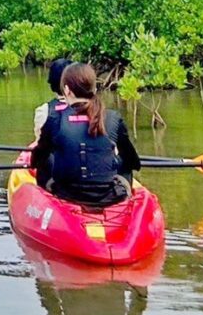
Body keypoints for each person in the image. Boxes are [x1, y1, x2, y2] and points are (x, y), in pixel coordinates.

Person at [29, 62, 141, 207]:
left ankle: (51, 204)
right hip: (107, 197)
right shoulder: (113, 117)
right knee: (125, 161)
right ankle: (123, 207)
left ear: (67, 90)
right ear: (94, 89)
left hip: (66, 195)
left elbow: (36, 161)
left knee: (46, 159)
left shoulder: (54, 118)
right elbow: (134, 162)